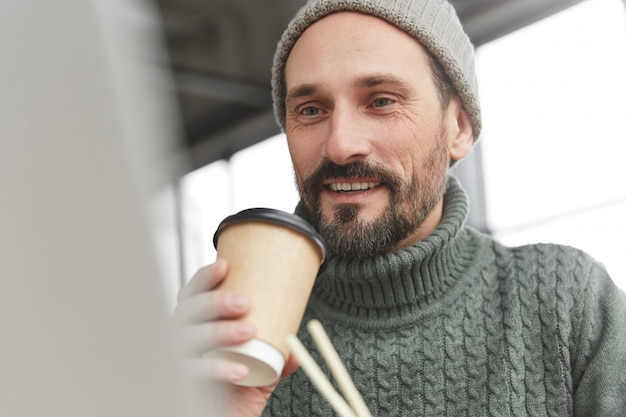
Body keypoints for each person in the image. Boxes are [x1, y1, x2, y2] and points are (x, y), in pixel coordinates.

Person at [173, 0, 626, 415]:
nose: (341, 144)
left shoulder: (567, 302)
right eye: (311, 110)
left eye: (382, 101)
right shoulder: (241, 343)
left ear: (460, 128)